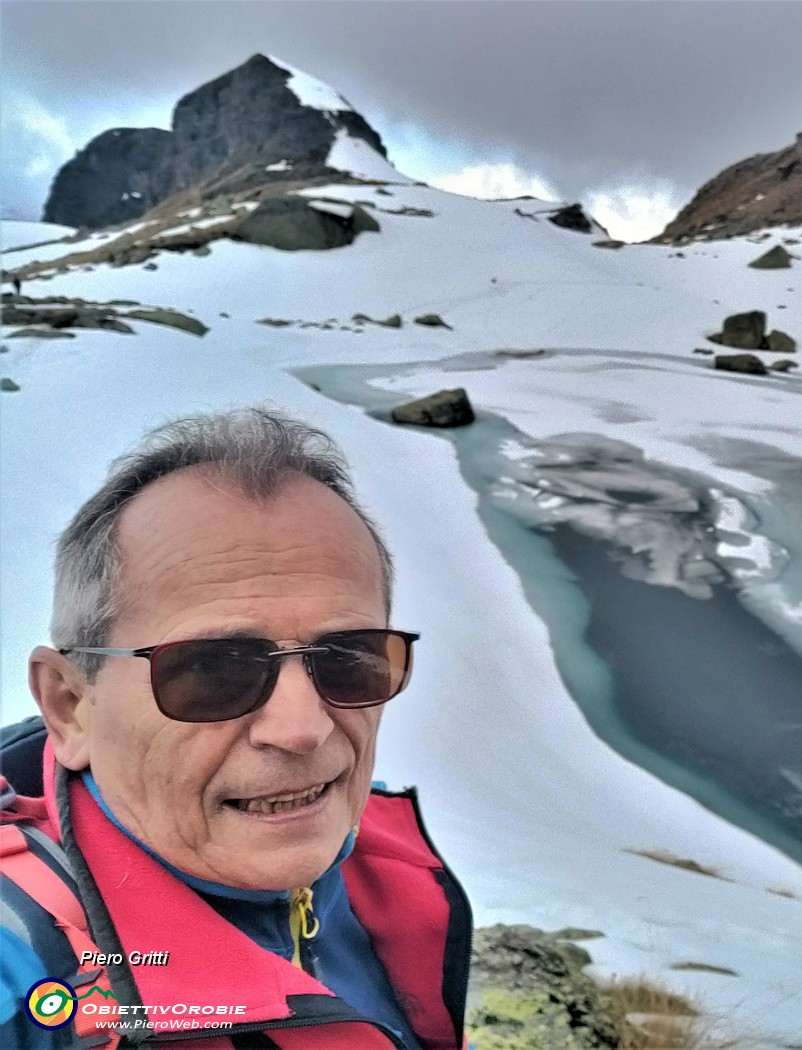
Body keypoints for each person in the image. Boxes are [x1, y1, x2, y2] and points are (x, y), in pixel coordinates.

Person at [0, 408, 471, 1048]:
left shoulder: (379, 865)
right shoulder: (23, 978)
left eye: (349, 658)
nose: (301, 729)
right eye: (214, 670)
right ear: (70, 705)